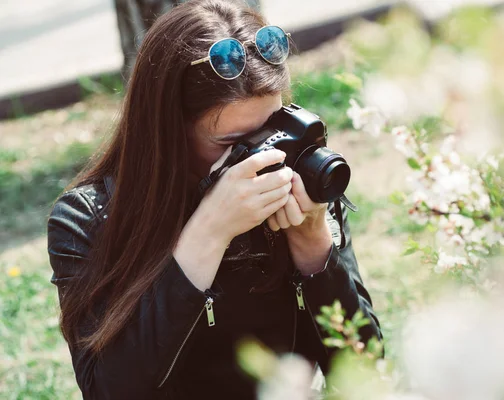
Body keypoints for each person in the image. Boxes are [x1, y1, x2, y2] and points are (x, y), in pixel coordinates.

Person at [47, 0, 382, 398]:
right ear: (166, 135)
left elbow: (365, 374)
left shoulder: (298, 178)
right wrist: (208, 233)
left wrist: (313, 242)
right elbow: (108, 390)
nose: (264, 156)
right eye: (233, 144)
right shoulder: (89, 219)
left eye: (273, 130)